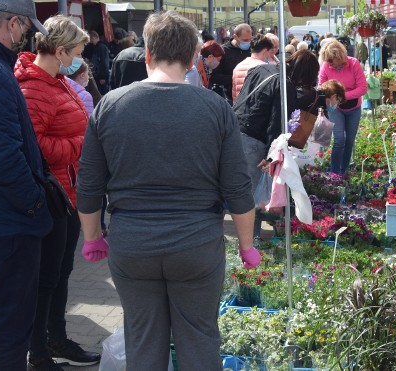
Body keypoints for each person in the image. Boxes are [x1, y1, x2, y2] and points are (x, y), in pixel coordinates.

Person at [76, 11, 259, 370]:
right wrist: (247, 245)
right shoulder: (216, 108)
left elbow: (89, 184)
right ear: (193, 57)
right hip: (196, 244)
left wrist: (92, 237)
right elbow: (238, 188)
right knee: (200, 338)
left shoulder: (109, 106)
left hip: (132, 244)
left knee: (143, 340)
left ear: (147, 54)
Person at [14, 15, 100, 370]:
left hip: (68, 193)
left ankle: (56, 338)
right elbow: (33, 145)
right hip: (51, 195)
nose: (80, 59)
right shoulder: (34, 86)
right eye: (78, 51)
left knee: (61, 273)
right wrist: (82, 145)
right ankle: (39, 351)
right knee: (47, 278)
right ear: (61, 50)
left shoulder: (57, 81)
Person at [0, 1, 53, 369]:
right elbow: (4, 158)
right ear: (13, 22)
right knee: (10, 326)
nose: (26, 37)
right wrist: (35, 205)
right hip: (4, 222)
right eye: (25, 29)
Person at [234, 50, 342, 239]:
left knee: (238, 189)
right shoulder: (286, 85)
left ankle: (247, 241)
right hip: (253, 139)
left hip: (233, 131)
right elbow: (276, 123)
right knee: (252, 195)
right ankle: (250, 244)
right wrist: (270, 156)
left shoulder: (260, 69)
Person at [318, 40, 368, 174]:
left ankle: (343, 169)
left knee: (350, 140)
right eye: (326, 60)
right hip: (336, 109)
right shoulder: (326, 67)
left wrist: (342, 95)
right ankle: (335, 173)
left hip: (354, 108)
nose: (328, 62)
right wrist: (331, 97)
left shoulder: (354, 64)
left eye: (330, 59)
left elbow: (363, 88)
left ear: (338, 56)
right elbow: (320, 88)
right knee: (340, 139)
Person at [210, 23, 252, 103]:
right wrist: (236, 78)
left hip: (248, 96)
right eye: (245, 40)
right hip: (229, 98)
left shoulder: (252, 50)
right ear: (235, 37)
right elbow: (215, 77)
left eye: (250, 39)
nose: (248, 43)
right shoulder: (223, 51)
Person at [231, 34, 274, 103]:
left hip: (238, 108)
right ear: (265, 51)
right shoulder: (265, 68)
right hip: (255, 109)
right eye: (269, 52)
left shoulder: (238, 66)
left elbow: (234, 93)